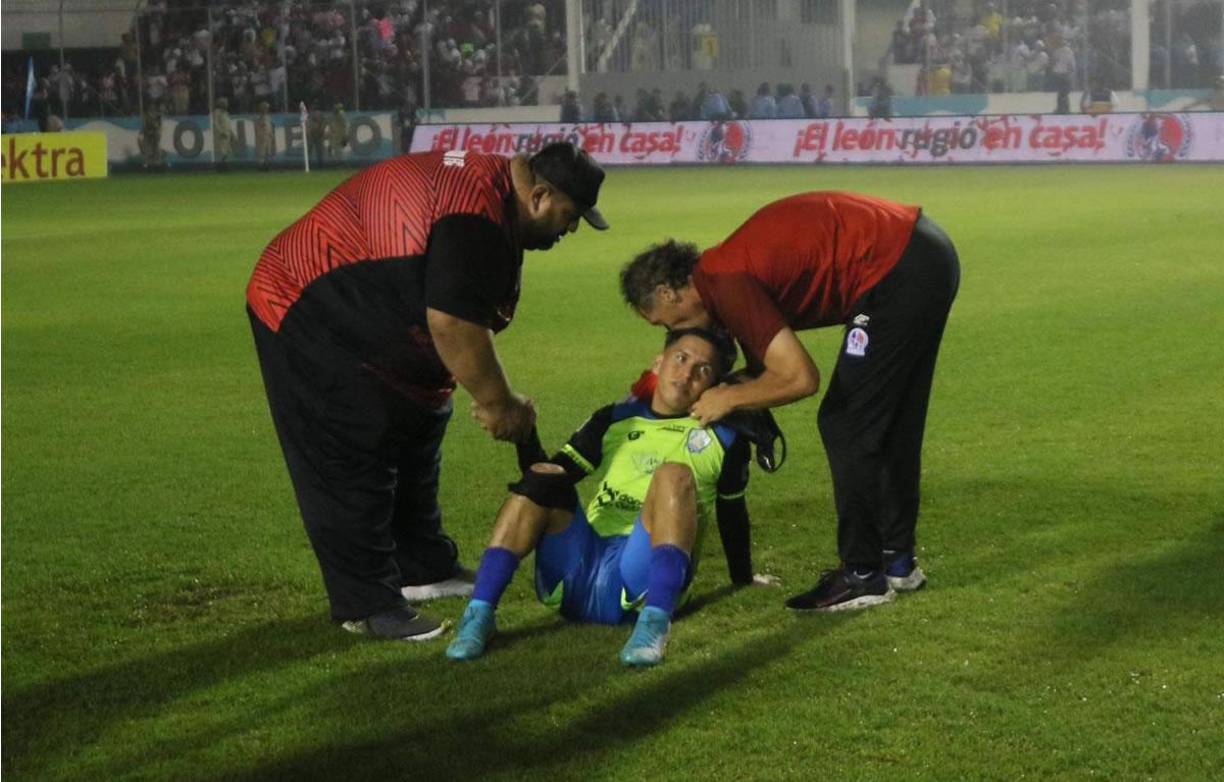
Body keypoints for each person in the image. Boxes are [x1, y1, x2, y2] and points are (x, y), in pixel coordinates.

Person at [246, 142, 609, 640]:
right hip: (307, 306)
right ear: (541, 195)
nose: (570, 230)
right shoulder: (475, 218)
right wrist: (499, 403)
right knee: (351, 444)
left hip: (375, 313)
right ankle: (367, 603)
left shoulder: (492, 196)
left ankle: (423, 566)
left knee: (418, 422)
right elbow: (454, 322)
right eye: (570, 216)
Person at [619, 192, 960, 613]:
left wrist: (729, 398)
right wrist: (728, 392)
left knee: (845, 422)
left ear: (667, 293)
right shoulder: (724, 270)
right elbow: (765, 369)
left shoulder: (725, 280)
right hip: (924, 253)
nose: (670, 331)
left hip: (894, 269)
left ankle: (862, 573)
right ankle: (897, 561)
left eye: (661, 320)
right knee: (893, 421)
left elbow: (800, 377)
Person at [446, 328, 774, 666]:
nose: (687, 373)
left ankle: (654, 626)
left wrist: (743, 576)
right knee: (546, 476)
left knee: (672, 473)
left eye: (703, 370)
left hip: (641, 582)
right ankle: (479, 616)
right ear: (658, 363)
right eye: (681, 358)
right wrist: (524, 434)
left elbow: (732, 509)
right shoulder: (614, 418)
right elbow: (544, 486)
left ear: (714, 387)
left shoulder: (724, 437)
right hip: (577, 571)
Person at [212, 97, 234, 171]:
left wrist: (232, 134)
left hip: (227, 133)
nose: (226, 105)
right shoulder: (217, 112)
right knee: (222, 151)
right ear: (220, 104)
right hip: (222, 134)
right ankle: (220, 166)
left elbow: (228, 125)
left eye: (226, 103)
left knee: (227, 151)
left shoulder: (226, 113)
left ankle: (225, 166)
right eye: (224, 103)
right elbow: (215, 123)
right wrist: (221, 132)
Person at [254, 101, 274, 171]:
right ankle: (260, 166)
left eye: (267, 108)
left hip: (268, 136)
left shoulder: (268, 117)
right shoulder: (258, 118)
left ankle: (267, 165)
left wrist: (271, 135)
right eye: (265, 108)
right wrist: (260, 136)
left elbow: (269, 127)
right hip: (262, 137)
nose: (266, 110)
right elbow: (257, 128)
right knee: (261, 152)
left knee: (268, 152)